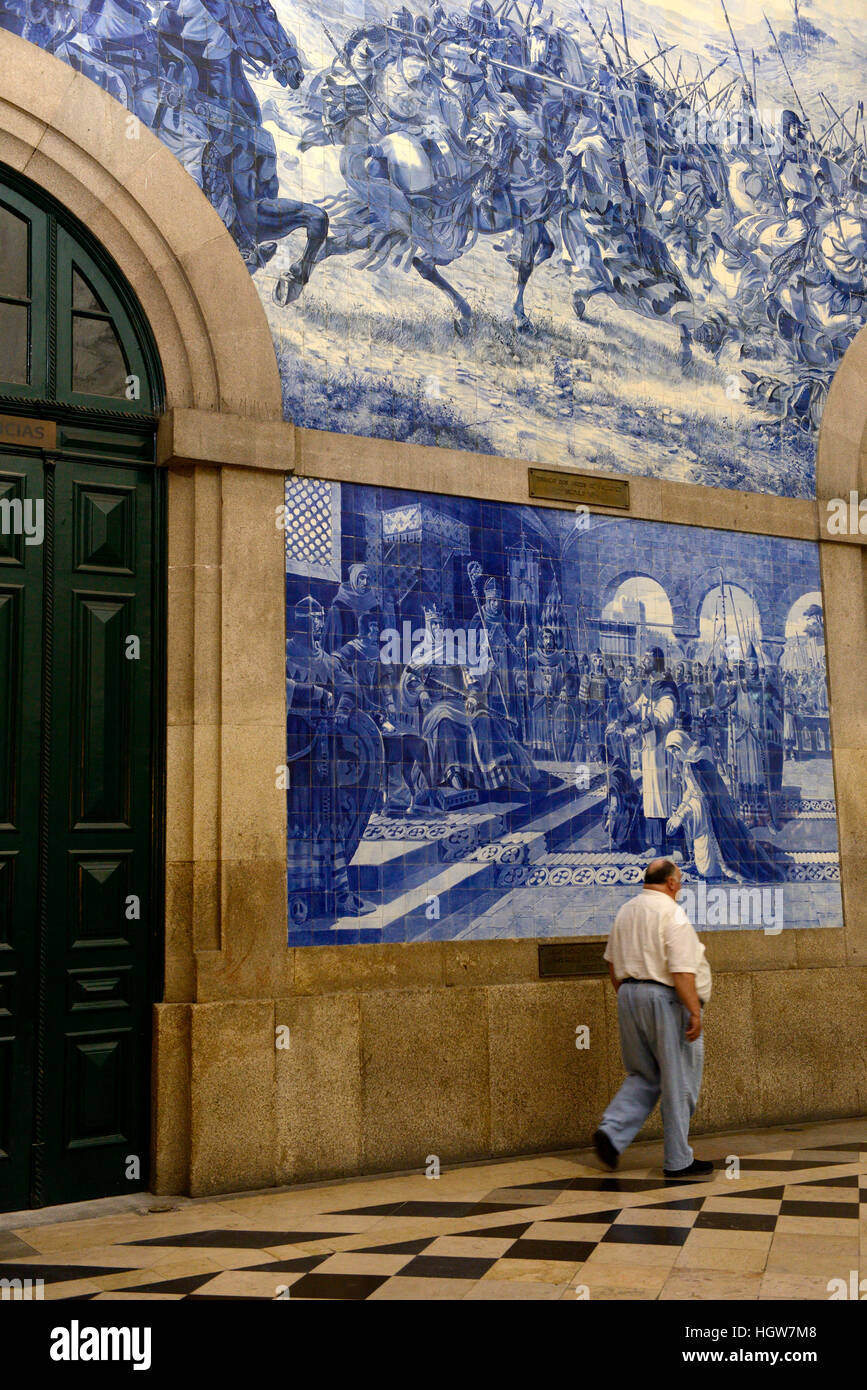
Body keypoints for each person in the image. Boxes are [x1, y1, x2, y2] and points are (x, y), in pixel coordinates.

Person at [593, 858, 714, 1179]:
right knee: (679, 1081)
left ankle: (611, 1133)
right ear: (672, 883)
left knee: (643, 1074)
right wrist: (694, 1011)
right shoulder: (672, 913)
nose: (681, 886)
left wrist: (628, 995)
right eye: (681, 881)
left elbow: (611, 962)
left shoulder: (626, 911)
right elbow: (681, 971)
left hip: (629, 996)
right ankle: (678, 1160)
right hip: (666, 1000)